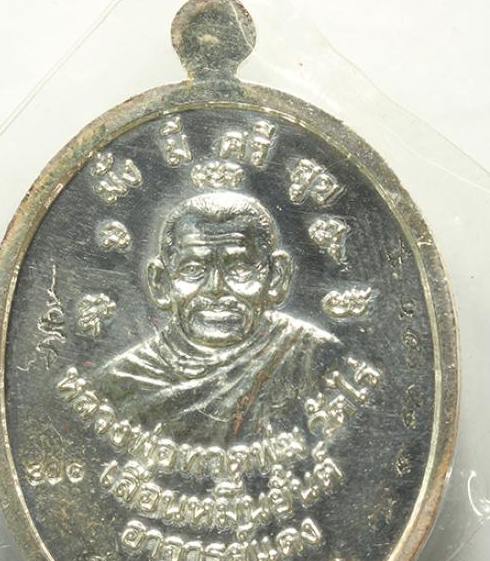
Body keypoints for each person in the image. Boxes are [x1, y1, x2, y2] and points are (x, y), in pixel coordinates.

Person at [95, 191, 341, 447]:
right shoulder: (120, 383)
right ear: (161, 283)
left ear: (276, 278)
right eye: (193, 270)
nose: (216, 288)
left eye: (239, 269)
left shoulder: (315, 359)